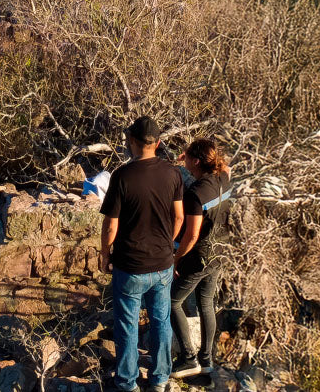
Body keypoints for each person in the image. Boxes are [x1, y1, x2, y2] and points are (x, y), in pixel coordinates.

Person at [99, 117, 184, 392]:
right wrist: (166, 242)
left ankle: (127, 382)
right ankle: (160, 379)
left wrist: (104, 255)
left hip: (130, 264)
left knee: (127, 325)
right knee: (161, 322)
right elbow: (180, 217)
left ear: (132, 142)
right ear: (157, 144)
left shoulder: (122, 176)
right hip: (162, 263)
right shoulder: (172, 174)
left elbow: (111, 225)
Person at [170, 138, 233, 379]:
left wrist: (177, 258)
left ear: (196, 161)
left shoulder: (194, 194)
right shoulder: (223, 178)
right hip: (219, 252)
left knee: (173, 302)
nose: (184, 161)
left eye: (187, 158)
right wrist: (191, 155)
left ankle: (188, 359)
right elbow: (225, 166)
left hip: (199, 257)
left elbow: (192, 234)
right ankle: (207, 360)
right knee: (206, 303)